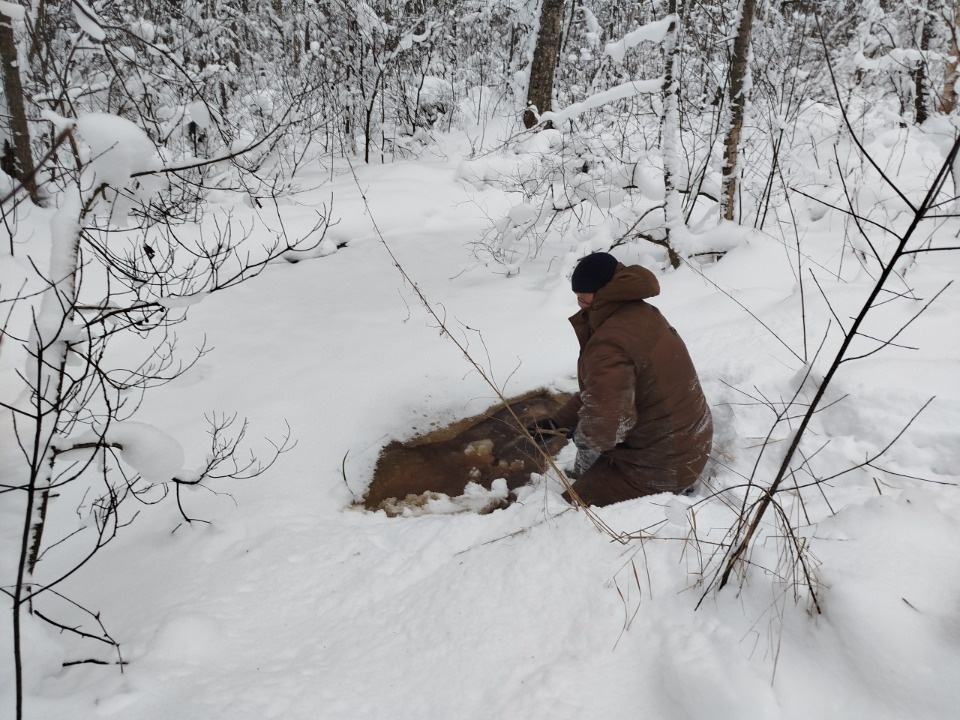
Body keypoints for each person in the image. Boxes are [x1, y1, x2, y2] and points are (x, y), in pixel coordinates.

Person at [529, 252, 713, 506]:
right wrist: (558, 422)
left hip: (662, 468)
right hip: (690, 443)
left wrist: (582, 434)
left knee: (567, 511)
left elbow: (606, 428)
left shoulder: (610, 341)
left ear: (600, 292)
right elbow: (602, 392)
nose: (579, 303)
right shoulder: (641, 312)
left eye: (582, 295)